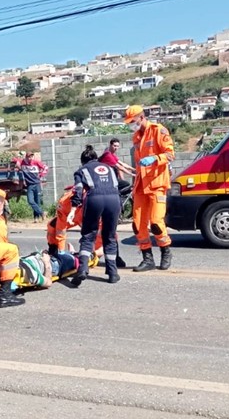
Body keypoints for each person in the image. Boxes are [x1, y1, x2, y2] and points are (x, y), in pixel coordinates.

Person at [125, 104, 175, 271]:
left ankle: (166, 251)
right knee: (138, 224)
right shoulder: (136, 137)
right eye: (129, 122)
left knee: (156, 222)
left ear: (141, 116)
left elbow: (170, 154)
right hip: (140, 185)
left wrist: (154, 158)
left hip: (156, 185)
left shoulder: (158, 130)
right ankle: (148, 259)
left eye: (133, 121)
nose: (131, 124)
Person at [66, 146, 122, 286]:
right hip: (114, 200)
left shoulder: (82, 170)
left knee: (88, 235)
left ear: (83, 161)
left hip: (95, 199)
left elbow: (78, 190)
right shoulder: (109, 168)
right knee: (109, 236)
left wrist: (73, 209)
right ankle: (113, 273)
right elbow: (117, 185)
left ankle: (83, 269)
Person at [19, 152, 48, 222]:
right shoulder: (22, 162)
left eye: (31, 157)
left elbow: (46, 168)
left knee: (37, 201)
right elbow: (15, 160)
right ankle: (42, 213)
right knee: (30, 201)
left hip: (37, 184)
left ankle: (36, 218)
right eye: (29, 157)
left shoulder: (36, 162)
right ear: (26, 157)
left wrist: (41, 174)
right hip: (29, 185)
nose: (30, 158)